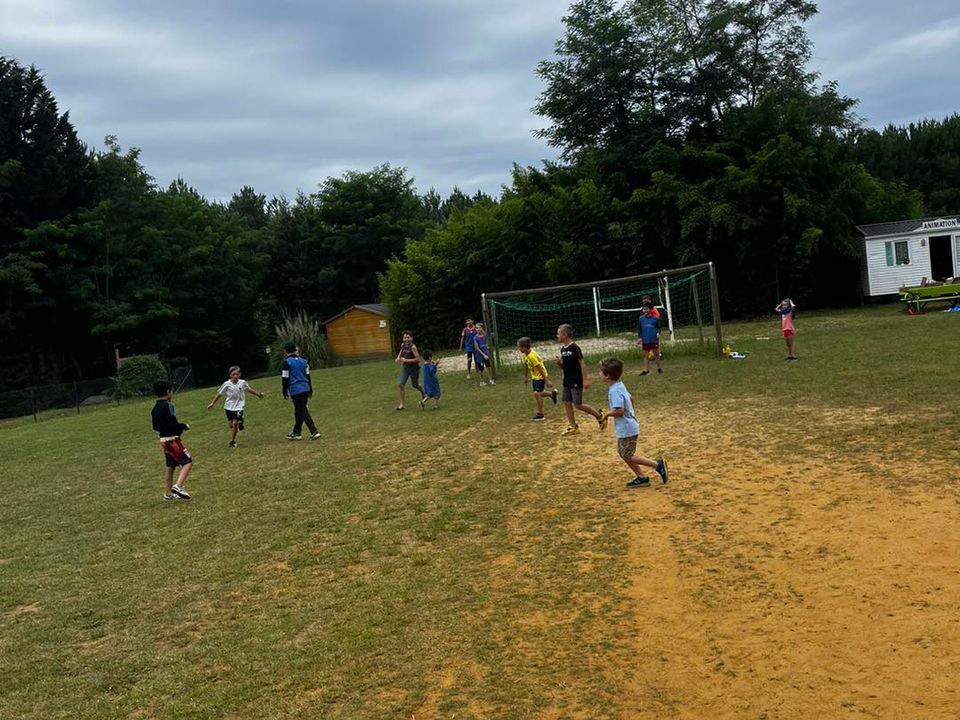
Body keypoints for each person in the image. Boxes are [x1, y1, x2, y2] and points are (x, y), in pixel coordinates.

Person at [599, 358, 668, 488]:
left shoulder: (614, 390)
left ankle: (657, 465)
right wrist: (632, 414)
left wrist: (607, 414)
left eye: (601, 372)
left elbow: (620, 411)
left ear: (607, 376)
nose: (599, 374)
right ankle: (641, 477)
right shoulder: (619, 384)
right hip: (627, 426)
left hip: (627, 428)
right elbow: (630, 398)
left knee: (627, 455)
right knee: (624, 454)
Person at [554, 324, 604, 436]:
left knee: (577, 404)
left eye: (559, 333)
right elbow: (566, 367)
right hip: (567, 380)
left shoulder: (574, 348)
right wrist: (559, 364)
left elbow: (582, 363)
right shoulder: (563, 349)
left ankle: (599, 417)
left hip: (576, 379)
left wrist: (585, 379)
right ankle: (573, 426)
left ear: (565, 335)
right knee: (566, 402)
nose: (557, 335)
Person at [151, 380, 193, 501]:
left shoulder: (155, 408)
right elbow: (172, 422)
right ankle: (178, 486)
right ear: (168, 391)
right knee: (187, 462)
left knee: (171, 465)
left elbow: (155, 427)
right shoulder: (168, 405)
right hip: (172, 440)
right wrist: (182, 426)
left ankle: (168, 493)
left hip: (163, 440)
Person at [207, 366, 265, 448]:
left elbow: (249, 390)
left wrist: (258, 394)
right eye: (233, 374)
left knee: (235, 423)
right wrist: (212, 403)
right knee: (231, 425)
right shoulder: (227, 384)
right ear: (230, 375)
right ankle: (240, 420)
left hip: (239, 406)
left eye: (237, 374)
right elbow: (219, 394)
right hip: (228, 407)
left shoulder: (243, 382)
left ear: (239, 374)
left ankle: (232, 441)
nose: (235, 376)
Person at [281, 342, 320, 440]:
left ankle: (314, 431)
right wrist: (310, 389)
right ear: (295, 349)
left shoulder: (287, 362)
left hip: (295, 389)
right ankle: (296, 432)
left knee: (302, 410)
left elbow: (285, 378)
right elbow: (308, 376)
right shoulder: (304, 361)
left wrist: (284, 390)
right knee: (298, 411)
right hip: (305, 388)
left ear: (285, 351)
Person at [518, 337, 557, 421]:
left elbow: (540, 368)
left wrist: (546, 380)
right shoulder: (525, 355)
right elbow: (526, 366)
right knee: (538, 393)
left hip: (540, 376)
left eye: (520, 347)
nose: (519, 349)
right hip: (534, 377)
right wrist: (525, 377)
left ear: (524, 347)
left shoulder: (532, 356)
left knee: (537, 394)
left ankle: (540, 414)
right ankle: (552, 395)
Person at [395, 330, 425, 410]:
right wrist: (398, 358)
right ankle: (402, 404)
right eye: (404, 337)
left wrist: (406, 360)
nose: (406, 339)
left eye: (408, 337)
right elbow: (401, 351)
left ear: (411, 338)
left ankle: (423, 393)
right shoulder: (403, 345)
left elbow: (418, 359)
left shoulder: (413, 347)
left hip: (414, 368)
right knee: (401, 384)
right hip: (406, 368)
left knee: (415, 385)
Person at [637, 304, 663, 375]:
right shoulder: (641, 318)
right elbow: (639, 329)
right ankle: (645, 370)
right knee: (645, 355)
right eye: (644, 309)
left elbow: (659, 328)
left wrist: (658, 333)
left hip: (653, 339)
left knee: (656, 354)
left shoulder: (655, 319)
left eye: (646, 309)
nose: (645, 310)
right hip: (645, 340)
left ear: (650, 310)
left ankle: (659, 368)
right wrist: (639, 337)